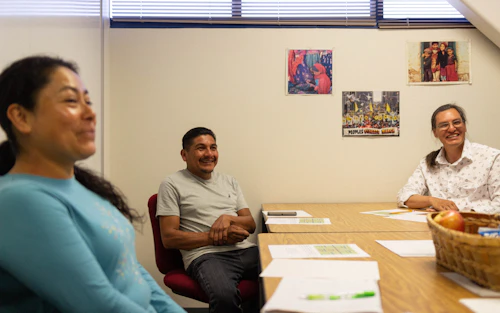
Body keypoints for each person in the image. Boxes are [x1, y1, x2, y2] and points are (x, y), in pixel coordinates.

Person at [0, 56, 185, 313]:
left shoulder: (82, 188)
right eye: (71, 101)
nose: (90, 113)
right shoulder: (19, 201)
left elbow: (133, 273)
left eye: (88, 101)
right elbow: (99, 305)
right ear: (21, 117)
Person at [157, 127, 259, 313]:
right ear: (184, 154)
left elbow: (250, 224)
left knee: (287, 272)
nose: (209, 154)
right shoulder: (171, 184)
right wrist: (218, 237)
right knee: (224, 296)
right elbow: (169, 238)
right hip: (206, 256)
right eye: (201, 148)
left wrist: (227, 218)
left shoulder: (229, 181)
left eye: (213, 147)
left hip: (244, 251)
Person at [397, 104, 500, 214]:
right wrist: (432, 200)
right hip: (436, 227)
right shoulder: (428, 163)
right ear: (435, 133)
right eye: (443, 125)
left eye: (456, 122)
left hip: (477, 228)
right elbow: (404, 196)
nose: (451, 128)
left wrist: (456, 207)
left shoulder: (492, 158)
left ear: (465, 126)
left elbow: (498, 204)